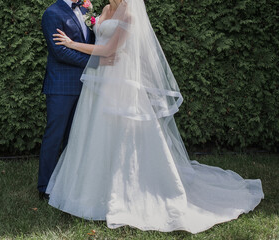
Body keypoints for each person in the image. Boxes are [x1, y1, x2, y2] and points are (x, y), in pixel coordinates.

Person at [46, 0, 264, 233]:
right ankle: (89, 190)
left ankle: (125, 191)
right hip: (97, 83)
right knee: (93, 134)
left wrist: (72, 44)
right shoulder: (105, 10)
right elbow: (98, 38)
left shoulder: (129, 14)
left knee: (119, 135)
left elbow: (110, 50)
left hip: (118, 81)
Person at [38, 0, 114, 199]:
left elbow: (90, 43)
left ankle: (69, 183)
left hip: (86, 85)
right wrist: (96, 62)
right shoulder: (52, 13)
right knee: (55, 137)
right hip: (61, 86)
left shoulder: (85, 9)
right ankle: (45, 186)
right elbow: (60, 51)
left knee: (76, 137)